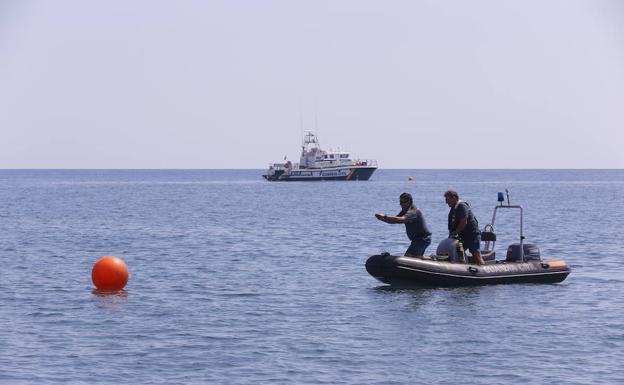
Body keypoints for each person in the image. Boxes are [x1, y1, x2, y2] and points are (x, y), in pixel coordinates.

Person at [375, 192, 432, 257]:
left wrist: (385, 216)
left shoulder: (413, 211)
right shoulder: (405, 211)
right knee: (415, 258)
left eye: (402, 202)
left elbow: (401, 220)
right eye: (400, 202)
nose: (400, 204)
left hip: (422, 239)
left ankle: (430, 258)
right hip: (418, 239)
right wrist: (382, 219)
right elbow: (395, 221)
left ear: (409, 202)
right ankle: (430, 258)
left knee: (408, 256)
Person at [444, 190, 485, 265]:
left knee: (476, 254)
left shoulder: (462, 206)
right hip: (461, 237)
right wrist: (451, 237)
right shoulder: (453, 209)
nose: (446, 202)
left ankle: (483, 268)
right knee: (458, 252)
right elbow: (452, 226)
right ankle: (463, 268)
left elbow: (464, 222)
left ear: (454, 198)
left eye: (447, 199)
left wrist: (455, 233)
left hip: (471, 235)